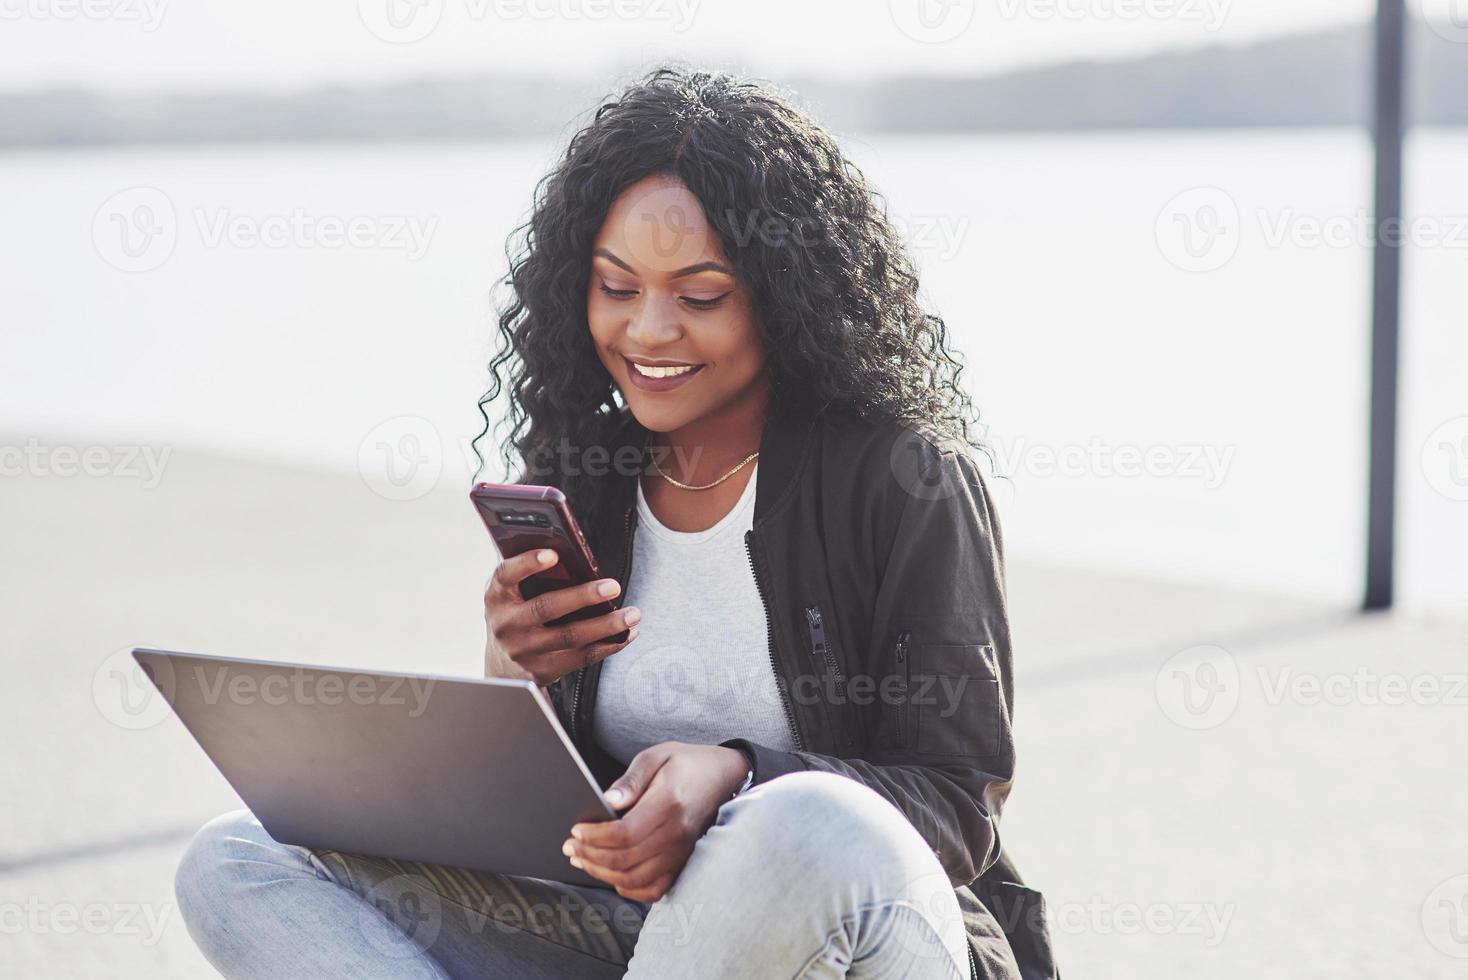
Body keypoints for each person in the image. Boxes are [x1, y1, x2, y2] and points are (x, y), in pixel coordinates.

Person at [174, 66, 1057, 979]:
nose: (649, 330)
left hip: (861, 928)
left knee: (808, 824)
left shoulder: (901, 481)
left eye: (700, 294)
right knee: (237, 858)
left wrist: (740, 777)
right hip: (631, 934)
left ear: (788, 299)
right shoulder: (587, 479)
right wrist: (510, 680)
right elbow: (556, 825)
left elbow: (959, 805)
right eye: (616, 286)